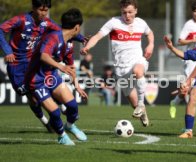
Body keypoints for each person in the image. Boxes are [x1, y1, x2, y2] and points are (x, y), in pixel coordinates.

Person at [82, 0, 154, 127]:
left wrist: (151, 45)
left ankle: (142, 104)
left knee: (138, 71)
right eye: (124, 12)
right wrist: (87, 47)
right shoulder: (114, 22)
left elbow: (150, 33)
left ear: (136, 11)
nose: (127, 15)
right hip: (121, 69)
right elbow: (97, 36)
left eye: (130, 12)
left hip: (137, 60)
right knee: (133, 102)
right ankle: (142, 111)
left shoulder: (141, 23)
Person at [25, 8, 88, 145]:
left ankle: (70, 126)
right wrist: (60, 66)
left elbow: (70, 68)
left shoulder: (69, 43)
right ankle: (62, 136)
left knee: (72, 106)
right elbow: (44, 56)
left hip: (51, 76)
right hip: (36, 80)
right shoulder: (53, 37)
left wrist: (77, 86)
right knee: (54, 112)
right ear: (77, 27)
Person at [0, 0, 61, 132]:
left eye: (46, 10)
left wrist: (80, 37)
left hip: (33, 63)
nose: (44, 13)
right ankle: (44, 120)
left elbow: (62, 33)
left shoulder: (47, 23)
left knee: (45, 89)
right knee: (32, 97)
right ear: (33, 8)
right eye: (41, 10)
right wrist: (8, 51)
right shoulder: (20, 20)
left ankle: (56, 118)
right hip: (16, 67)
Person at [169, 1, 196, 120]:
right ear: (192, 12)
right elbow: (180, 41)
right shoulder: (189, 24)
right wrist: (193, 39)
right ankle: (174, 103)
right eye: (195, 11)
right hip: (190, 58)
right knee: (188, 87)